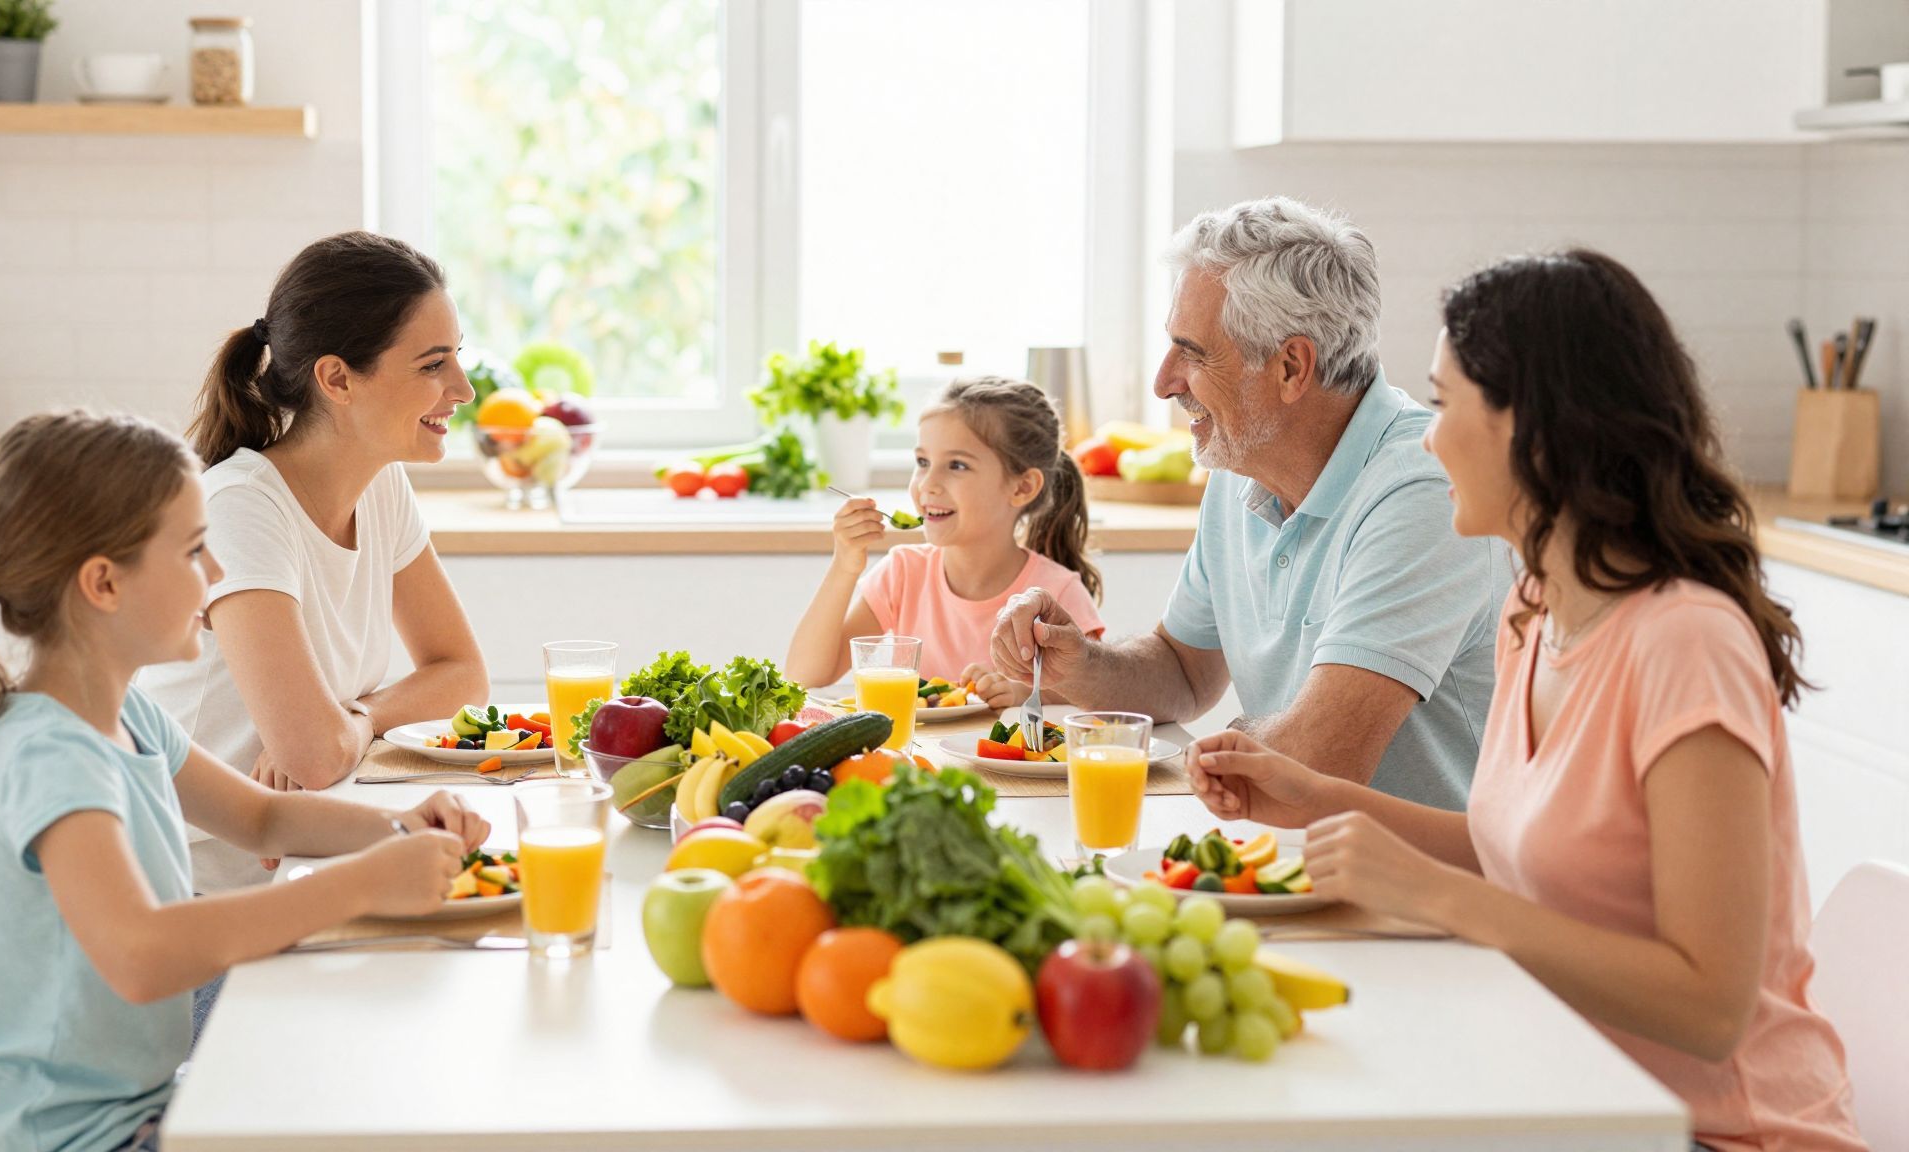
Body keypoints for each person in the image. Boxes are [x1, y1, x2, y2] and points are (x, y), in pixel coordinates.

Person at [1193, 250, 1865, 1152]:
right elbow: (1516, 850)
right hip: (1563, 1089)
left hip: (1715, 1133)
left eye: (1442, 404)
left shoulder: (1687, 646)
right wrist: (1322, 798)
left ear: (1533, 431)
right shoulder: (1535, 608)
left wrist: (1434, 895)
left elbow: (1710, 1004)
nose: (1426, 439)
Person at [0, 411, 485, 1152]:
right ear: (103, 584)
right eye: (194, 551)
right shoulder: (50, 755)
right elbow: (141, 953)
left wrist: (405, 827)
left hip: (128, 1116)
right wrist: (360, 885)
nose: (218, 574)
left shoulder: (127, 720)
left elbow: (265, 821)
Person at [992, 198, 1508, 809]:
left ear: (1291, 367)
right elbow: (1182, 672)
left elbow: (1321, 758)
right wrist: (1079, 665)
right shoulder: (1240, 467)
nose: (1163, 381)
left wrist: (1213, 752)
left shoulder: (1422, 493)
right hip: (1298, 859)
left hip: (1422, 887)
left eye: (1193, 351)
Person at [137, 230, 489, 893]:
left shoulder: (381, 486)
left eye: (456, 358)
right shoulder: (242, 508)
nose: (462, 388)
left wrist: (357, 717)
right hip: (205, 900)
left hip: (306, 865)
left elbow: (464, 674)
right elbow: (314, 756)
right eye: (432, 364)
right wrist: (338, 732)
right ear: (336, 378)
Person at [786, 376, 1104, 706]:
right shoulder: (904, 573)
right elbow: (805, 674)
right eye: (923, 462)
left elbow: (1096, 695)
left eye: (956, 465)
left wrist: (1024, 692)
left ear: (1022, 487)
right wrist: (844, 565)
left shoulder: (1059, 592)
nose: (928, 484)